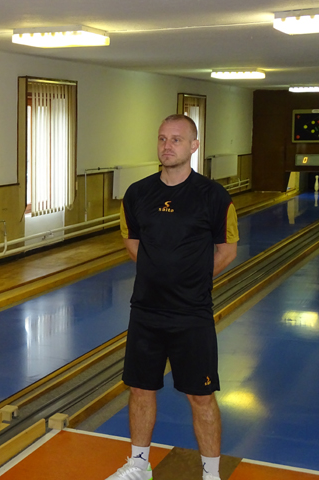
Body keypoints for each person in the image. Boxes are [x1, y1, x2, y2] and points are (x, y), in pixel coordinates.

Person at [107, 115, 239, 480]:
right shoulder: (138, 193)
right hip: (146, 310)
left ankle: (211, 474)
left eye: (177, 139)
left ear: (194, 146)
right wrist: (159, 274)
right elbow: (132, 241)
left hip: (192, 314)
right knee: (140, 389)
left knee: (201, 396)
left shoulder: (213, 196)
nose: (168, 145)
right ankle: (138, 465)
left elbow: (227, 250)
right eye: (163, 138)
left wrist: (190, 281)